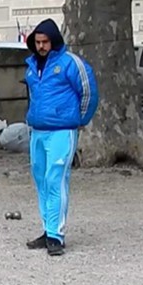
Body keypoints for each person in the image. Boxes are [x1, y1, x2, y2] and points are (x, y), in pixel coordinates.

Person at [24, 18, 99, 255]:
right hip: (38, 130)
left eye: (45, 41)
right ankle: (48, 229)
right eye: (37, 42)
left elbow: (88, 92)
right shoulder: (32, 65)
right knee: (41, 180)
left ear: (53, 41)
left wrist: (79, 120)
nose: (41, 46)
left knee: (55, 178)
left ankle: (56, 235)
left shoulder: (71, 63)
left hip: (61, 131)